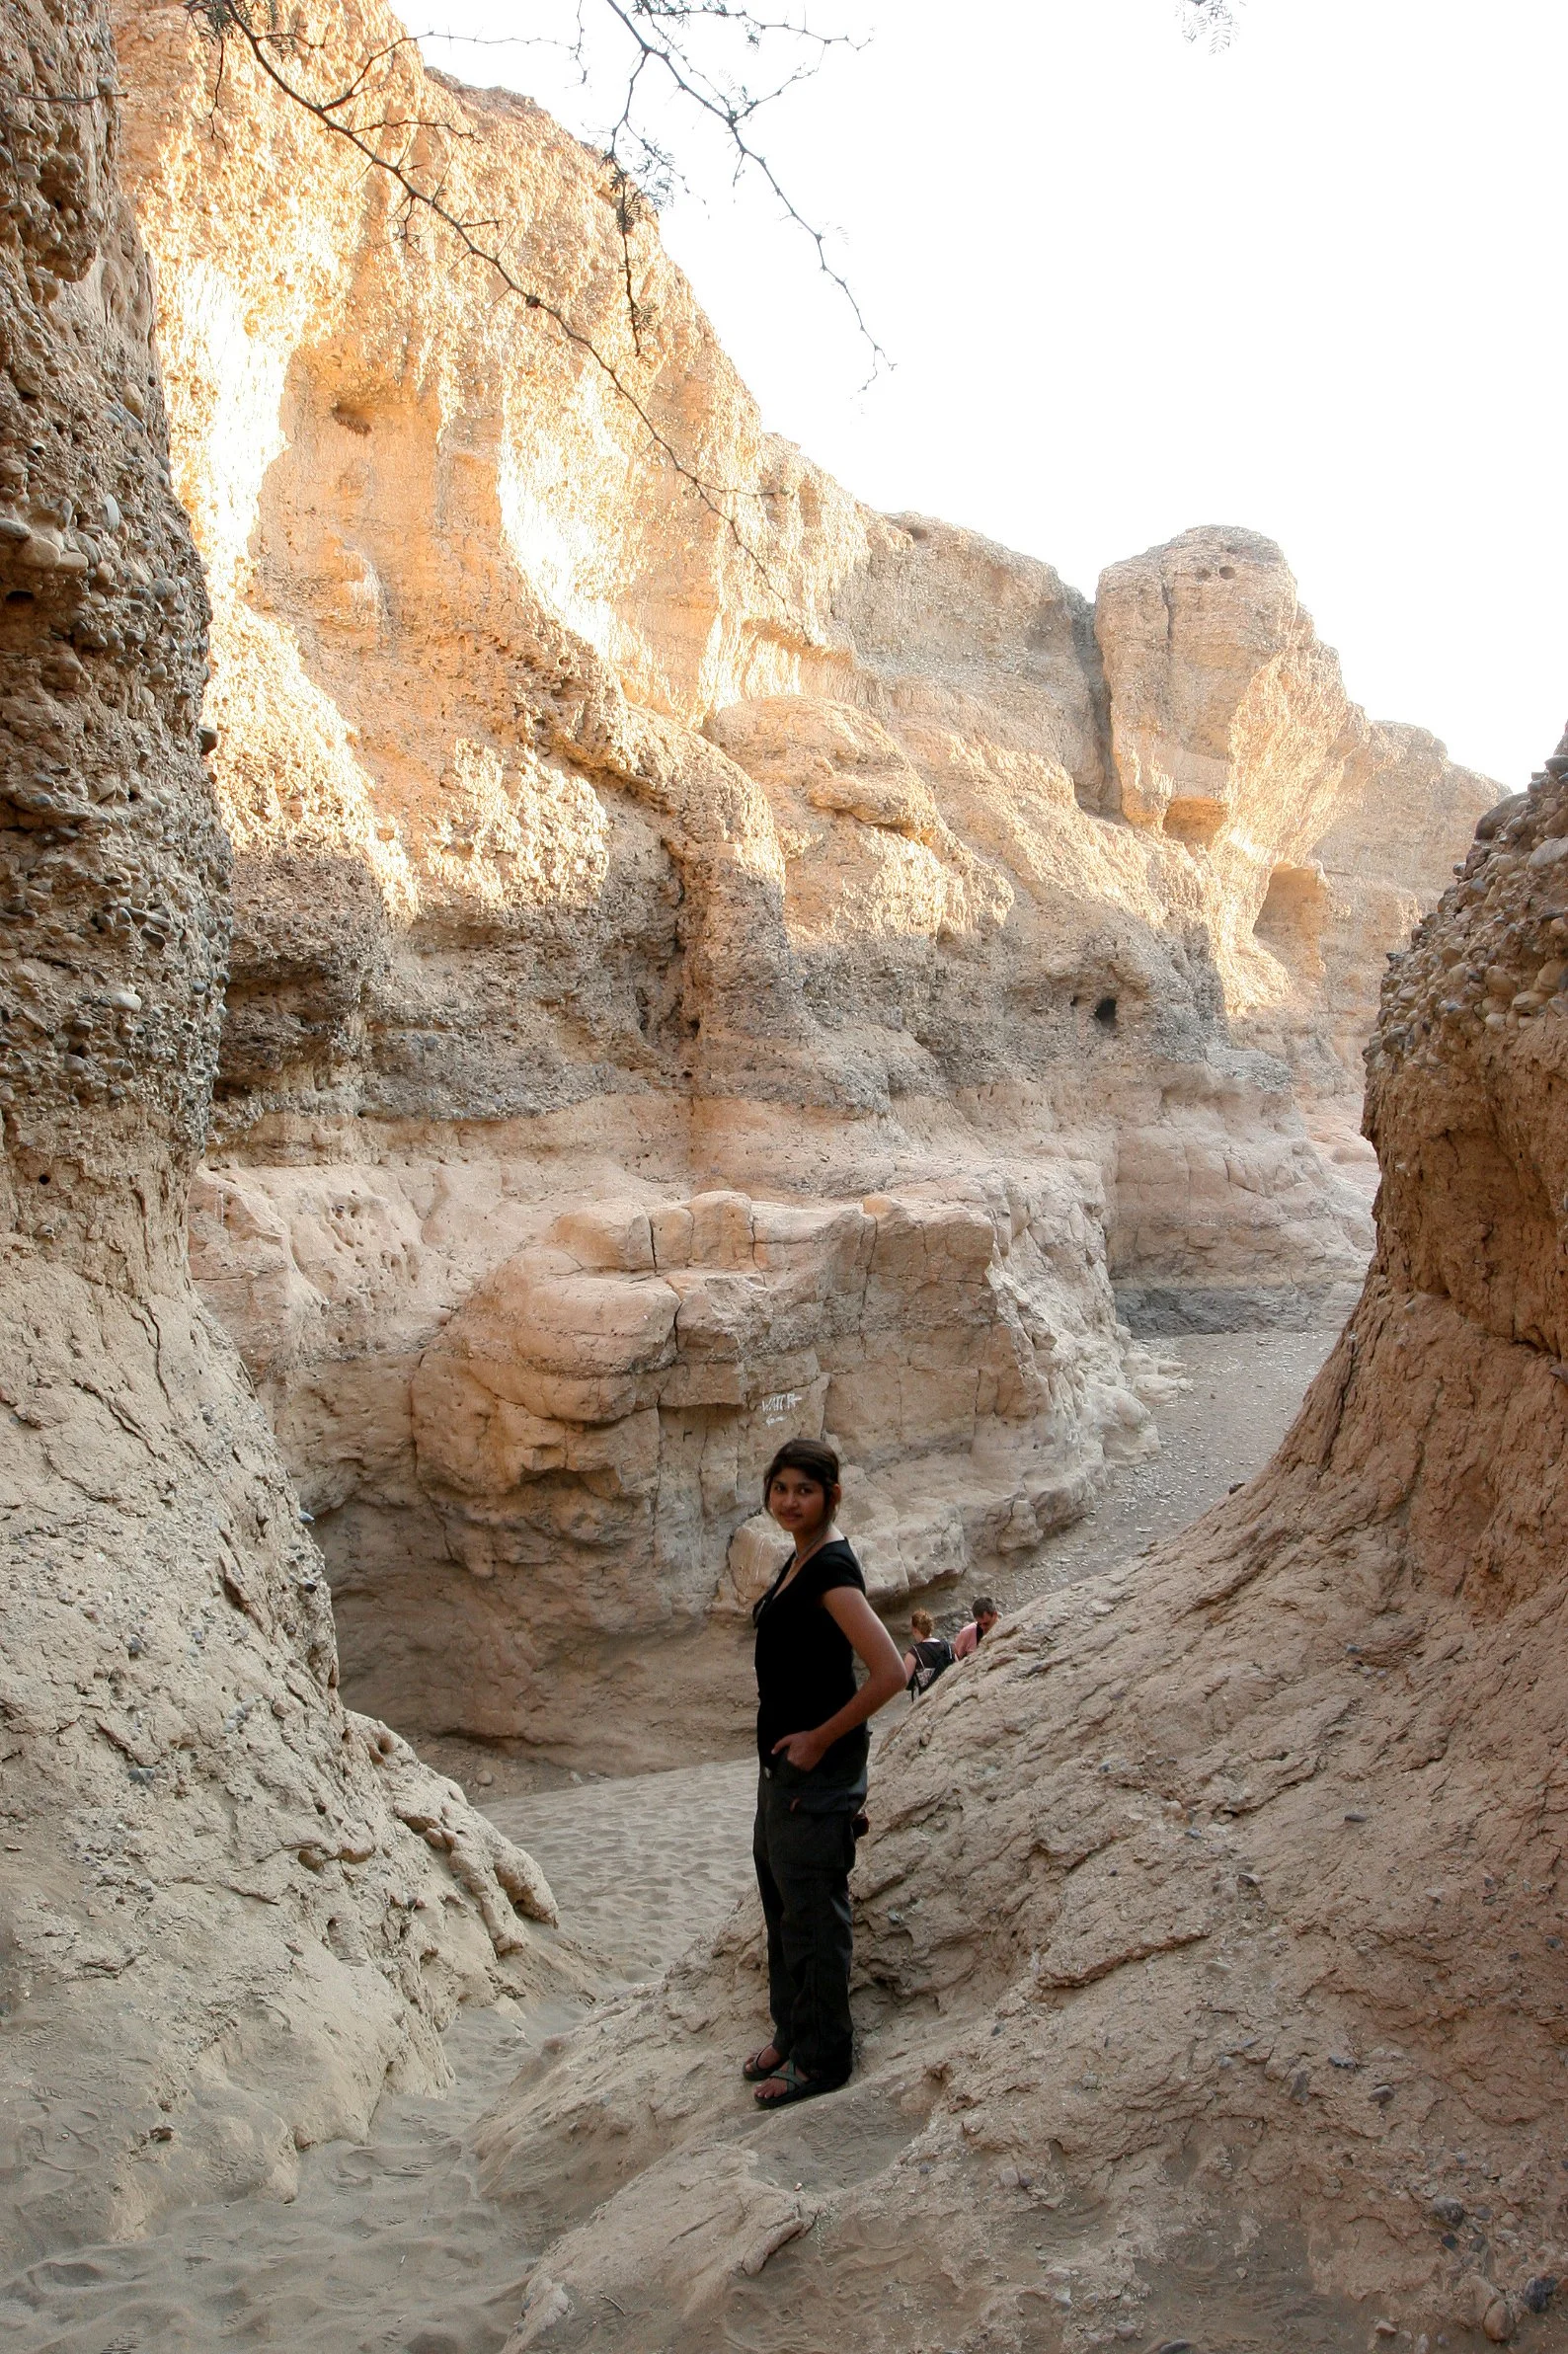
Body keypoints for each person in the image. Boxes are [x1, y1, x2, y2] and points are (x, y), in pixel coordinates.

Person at [745, 1437, 906, 2108]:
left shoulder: (832, 1573)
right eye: (780, 1488)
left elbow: (893, 1672)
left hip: (817, 1781)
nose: (789, 1501)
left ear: (831, 1496)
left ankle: (822, 2060)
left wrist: (818, 1739)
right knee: (783, 1908)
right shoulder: (799, 1557)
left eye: (804, 1490)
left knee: (813, 1918)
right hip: (783, 1777)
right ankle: (792, 2030)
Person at [902, 1608, 954, 1697]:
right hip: (949, 1695)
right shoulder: (947, 1646)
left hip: (929, 1700)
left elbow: (904, 1683)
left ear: (915, 1629)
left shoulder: (914, 1653)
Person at [953, 1595, 1000, 1659]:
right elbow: (954, 1658)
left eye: (986, 1624)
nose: (982, 1627)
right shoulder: (967, 1632)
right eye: (979, 1624)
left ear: (995, 1615)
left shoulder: (1007, 1630)